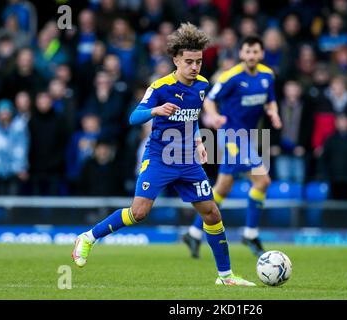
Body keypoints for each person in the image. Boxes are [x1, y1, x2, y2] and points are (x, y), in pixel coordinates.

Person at [72, 23, 255, 287]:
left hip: (188, 160)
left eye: (199, 61)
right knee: (139, 212)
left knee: (212, 213)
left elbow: (190, 118)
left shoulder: (202, 86)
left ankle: (225, 276)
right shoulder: (160, 87)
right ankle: (88, 237)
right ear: (175, 60)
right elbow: (134, 117)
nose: (195, 67)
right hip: (160, 156)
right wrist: (155, 111)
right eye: (189, 62)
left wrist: (198, 142)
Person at [182, 35, 282, 258]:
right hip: (232, 135)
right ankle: (250, 233)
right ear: (241, 54)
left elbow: (270, 99)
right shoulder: (232, 77)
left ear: (262, 54)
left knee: (222, 188)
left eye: (255, 51)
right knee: (262, 179)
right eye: (247, 51)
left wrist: (273, 112)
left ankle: (193, 233)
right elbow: (209, 99)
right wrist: (215, 116)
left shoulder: (267, 75)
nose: (251, 56)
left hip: (249, 136)